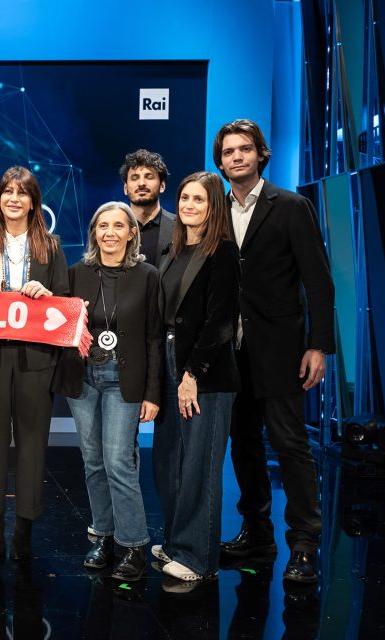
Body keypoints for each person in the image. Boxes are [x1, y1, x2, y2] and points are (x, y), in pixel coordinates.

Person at [214, 119, 335, 584]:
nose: (237, 157)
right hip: (231, 349)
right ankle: (257, 534)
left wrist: (318, 345)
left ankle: (304, 543)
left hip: (281, 347)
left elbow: (318, 282)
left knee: (289, 443)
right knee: (242, 442)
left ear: (260, 155)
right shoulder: (216, 210)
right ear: (220, 161)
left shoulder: (291, 206)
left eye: (244, 149)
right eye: (229, 152)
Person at [0, 166, 69, 560]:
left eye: (22, 192)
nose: (14, 198)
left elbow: (65, 299)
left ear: (33, 201)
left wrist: (47, 294)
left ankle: (24, 527)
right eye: (7, 191)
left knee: (32, 443)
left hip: (36, 357)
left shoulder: (51, 245)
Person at [53, 201, 161, 580]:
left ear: (132, 233)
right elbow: (57, 320)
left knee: (118, 461)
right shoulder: (76, 273)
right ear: (93, 233)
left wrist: (153, 393)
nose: (110, 233)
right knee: (93, 461)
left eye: (118, 226)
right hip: (83, 376)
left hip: (124, 378)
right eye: (102, 226)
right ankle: (104, 535)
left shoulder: (148, 276)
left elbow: (153, 338)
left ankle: (134, 545)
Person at [152, 171, 241, 582]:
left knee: (198, 467)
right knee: (168, 460)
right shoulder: (172, 250)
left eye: (198, 200)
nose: (188, 205)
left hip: (203, 371)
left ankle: (197, 557)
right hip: (169, 360)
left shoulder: (222, 251)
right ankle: (175, 542)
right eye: (185, 198)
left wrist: (193, 374)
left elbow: (220, 321)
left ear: (213, 206)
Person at [120, 149, 175, 267]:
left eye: (149, 177)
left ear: (162, 186)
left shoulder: (181, 227)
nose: (141, 183)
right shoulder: (111, 229)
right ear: (125, 188)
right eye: (134, 178)